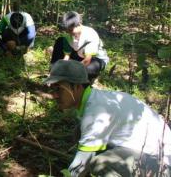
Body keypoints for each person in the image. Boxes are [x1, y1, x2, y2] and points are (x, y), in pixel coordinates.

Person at [43, 60, 171, 176]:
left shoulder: (97, 111)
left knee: (101, 163)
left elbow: (81, 163)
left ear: (77, 86)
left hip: (160, 164)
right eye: (52, 90)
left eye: (59, 89)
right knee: (80, 132)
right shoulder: (95, 100)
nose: (54, 95)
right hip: (143, 154)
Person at [50, 11, 109, 81]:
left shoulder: (90, 35)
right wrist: (61, 66)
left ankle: (86, 81)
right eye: (67, 30)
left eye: (71, 30)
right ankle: (54, 69)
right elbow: (67, 55)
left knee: (87, 70)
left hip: (95, 59)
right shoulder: (68, 35)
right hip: (79, 55)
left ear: (79, 24)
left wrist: (69, 72)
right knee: (60, 41)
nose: (69, 32)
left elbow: (87, 60)